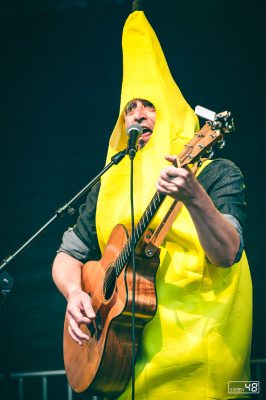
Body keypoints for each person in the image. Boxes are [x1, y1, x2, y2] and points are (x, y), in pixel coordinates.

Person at [52, 11, 252, 400]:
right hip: (127, 372)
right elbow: (66, 255)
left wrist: (194, 198)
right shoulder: (109, 183)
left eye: (150, 104)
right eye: (130, 106)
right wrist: (75, 294)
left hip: (207, 372)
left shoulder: (215, 172)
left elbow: (228, 253)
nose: (138, 114)